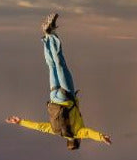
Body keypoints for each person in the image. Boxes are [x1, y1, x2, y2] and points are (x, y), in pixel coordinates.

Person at [6, 13, 112, 150]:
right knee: (52, 66)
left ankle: (51, 32)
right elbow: (39, 127)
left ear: (78, 140)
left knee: (60, 63)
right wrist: (20, 121)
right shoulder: (58, 131)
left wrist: (101, 137)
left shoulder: (78, 133)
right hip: (53, 97)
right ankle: (47, 36)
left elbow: (88, 133)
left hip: (66, 96)